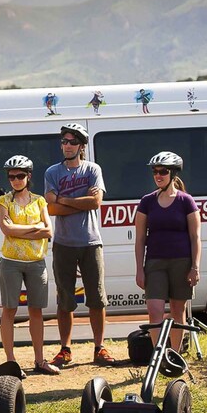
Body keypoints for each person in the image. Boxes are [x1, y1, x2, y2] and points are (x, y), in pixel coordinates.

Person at [44, 123, 116, 367]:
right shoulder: (52, 172)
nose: (67, 145)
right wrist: (78, 200)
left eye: (72, 142)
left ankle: (99, 347)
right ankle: (65, 349)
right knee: (65, 299)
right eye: (64, 141)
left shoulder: (93, 169)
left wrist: (64, 199)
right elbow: (51, 208)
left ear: (81, 146)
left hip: (90, 241)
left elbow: (96, 202)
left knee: (96, 297)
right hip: (63, 243)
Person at [0, 155, 58, 376]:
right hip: (11, 263)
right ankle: (11, 362)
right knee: (9, 310)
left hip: (36, 262)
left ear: (28, 176)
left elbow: (49, 231)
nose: (15, 180)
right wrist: (34, 229)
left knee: (36, 311)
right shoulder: (4, 201)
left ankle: (40, 360)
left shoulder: (40, 201)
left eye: (20, 175)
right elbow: (7, 230)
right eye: (11, 176)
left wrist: (18, 229)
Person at [134, 151, 201, 351]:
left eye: (163, 171)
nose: (158, 175)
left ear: (172, 174)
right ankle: (158, 356)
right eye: (155, 171)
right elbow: (139, 239)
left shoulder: (186, 201)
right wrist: (139, 269)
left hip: (182, 262)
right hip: (155, 262)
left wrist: (195, 267)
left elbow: (195, 237)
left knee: (177, 310)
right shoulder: (147, 201)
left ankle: (176, 353)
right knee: (154, 310)